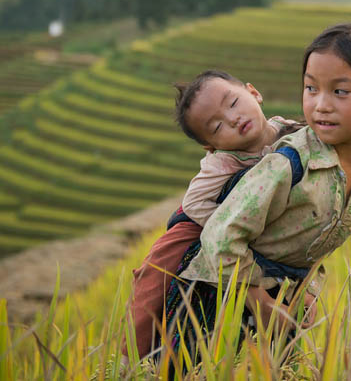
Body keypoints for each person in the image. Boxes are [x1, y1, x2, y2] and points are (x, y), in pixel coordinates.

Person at [164, 23, 351, 360]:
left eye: (340, 92)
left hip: (278, 311)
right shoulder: (287, 163)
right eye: (311, 89)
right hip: (216, 307)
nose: (321, 105)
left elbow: (312, 246)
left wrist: (307, 292)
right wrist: (259, 301)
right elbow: (219, 237)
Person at [127, 69, 303, 358]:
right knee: (155, 272)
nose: (232, 119)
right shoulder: (222, 162)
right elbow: (194, 202)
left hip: (256, 224)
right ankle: (131, 356)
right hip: (198, 224)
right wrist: (231, 223)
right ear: (211, 146)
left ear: (253, 92)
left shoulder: (291, 132)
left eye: (233, 103)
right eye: (217, 126)